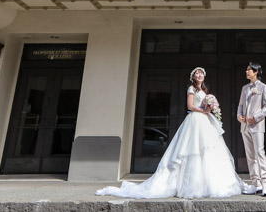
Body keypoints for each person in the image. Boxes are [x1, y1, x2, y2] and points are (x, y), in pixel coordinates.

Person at [96, 66, 247, 199]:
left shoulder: (204, 91)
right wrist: (203, 110)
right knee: (193, 149)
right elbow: (190, 106)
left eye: (201, 73)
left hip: (205, 121)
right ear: (193, 77)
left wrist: (209, 107)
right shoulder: (191, 89)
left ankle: (209, 183)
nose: (200, 75)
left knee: (207, 149)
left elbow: (204, 106)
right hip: (195, 119)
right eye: (197, 73)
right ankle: (190, 185)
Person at [237, 62, 266, 197]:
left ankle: (265, 183)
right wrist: (239, 116)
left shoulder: (264, 87)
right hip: (245, 126)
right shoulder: (245, 88)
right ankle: (256, 183)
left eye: (249, 70)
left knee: (259, 153)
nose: (246, 72)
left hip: (257, 126)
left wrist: (255, 117)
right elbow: (241, 105)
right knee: (250, 156)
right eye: (246, 70)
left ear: (256, 72)